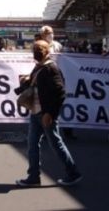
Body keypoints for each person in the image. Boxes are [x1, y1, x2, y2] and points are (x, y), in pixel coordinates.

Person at [15, 40, 83, 187]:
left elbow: (60, 93)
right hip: (35, 113)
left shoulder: (51, 69)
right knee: (32, 145)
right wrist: (25, 81)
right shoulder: (38, 67)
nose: (36, 51)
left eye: (39, 48)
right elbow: (34, 84)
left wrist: (50, 114)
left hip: (45, 115)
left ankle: (73, 173)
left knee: (56, 144)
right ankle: (33, 177)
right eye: (34, 48)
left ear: (47, 51)